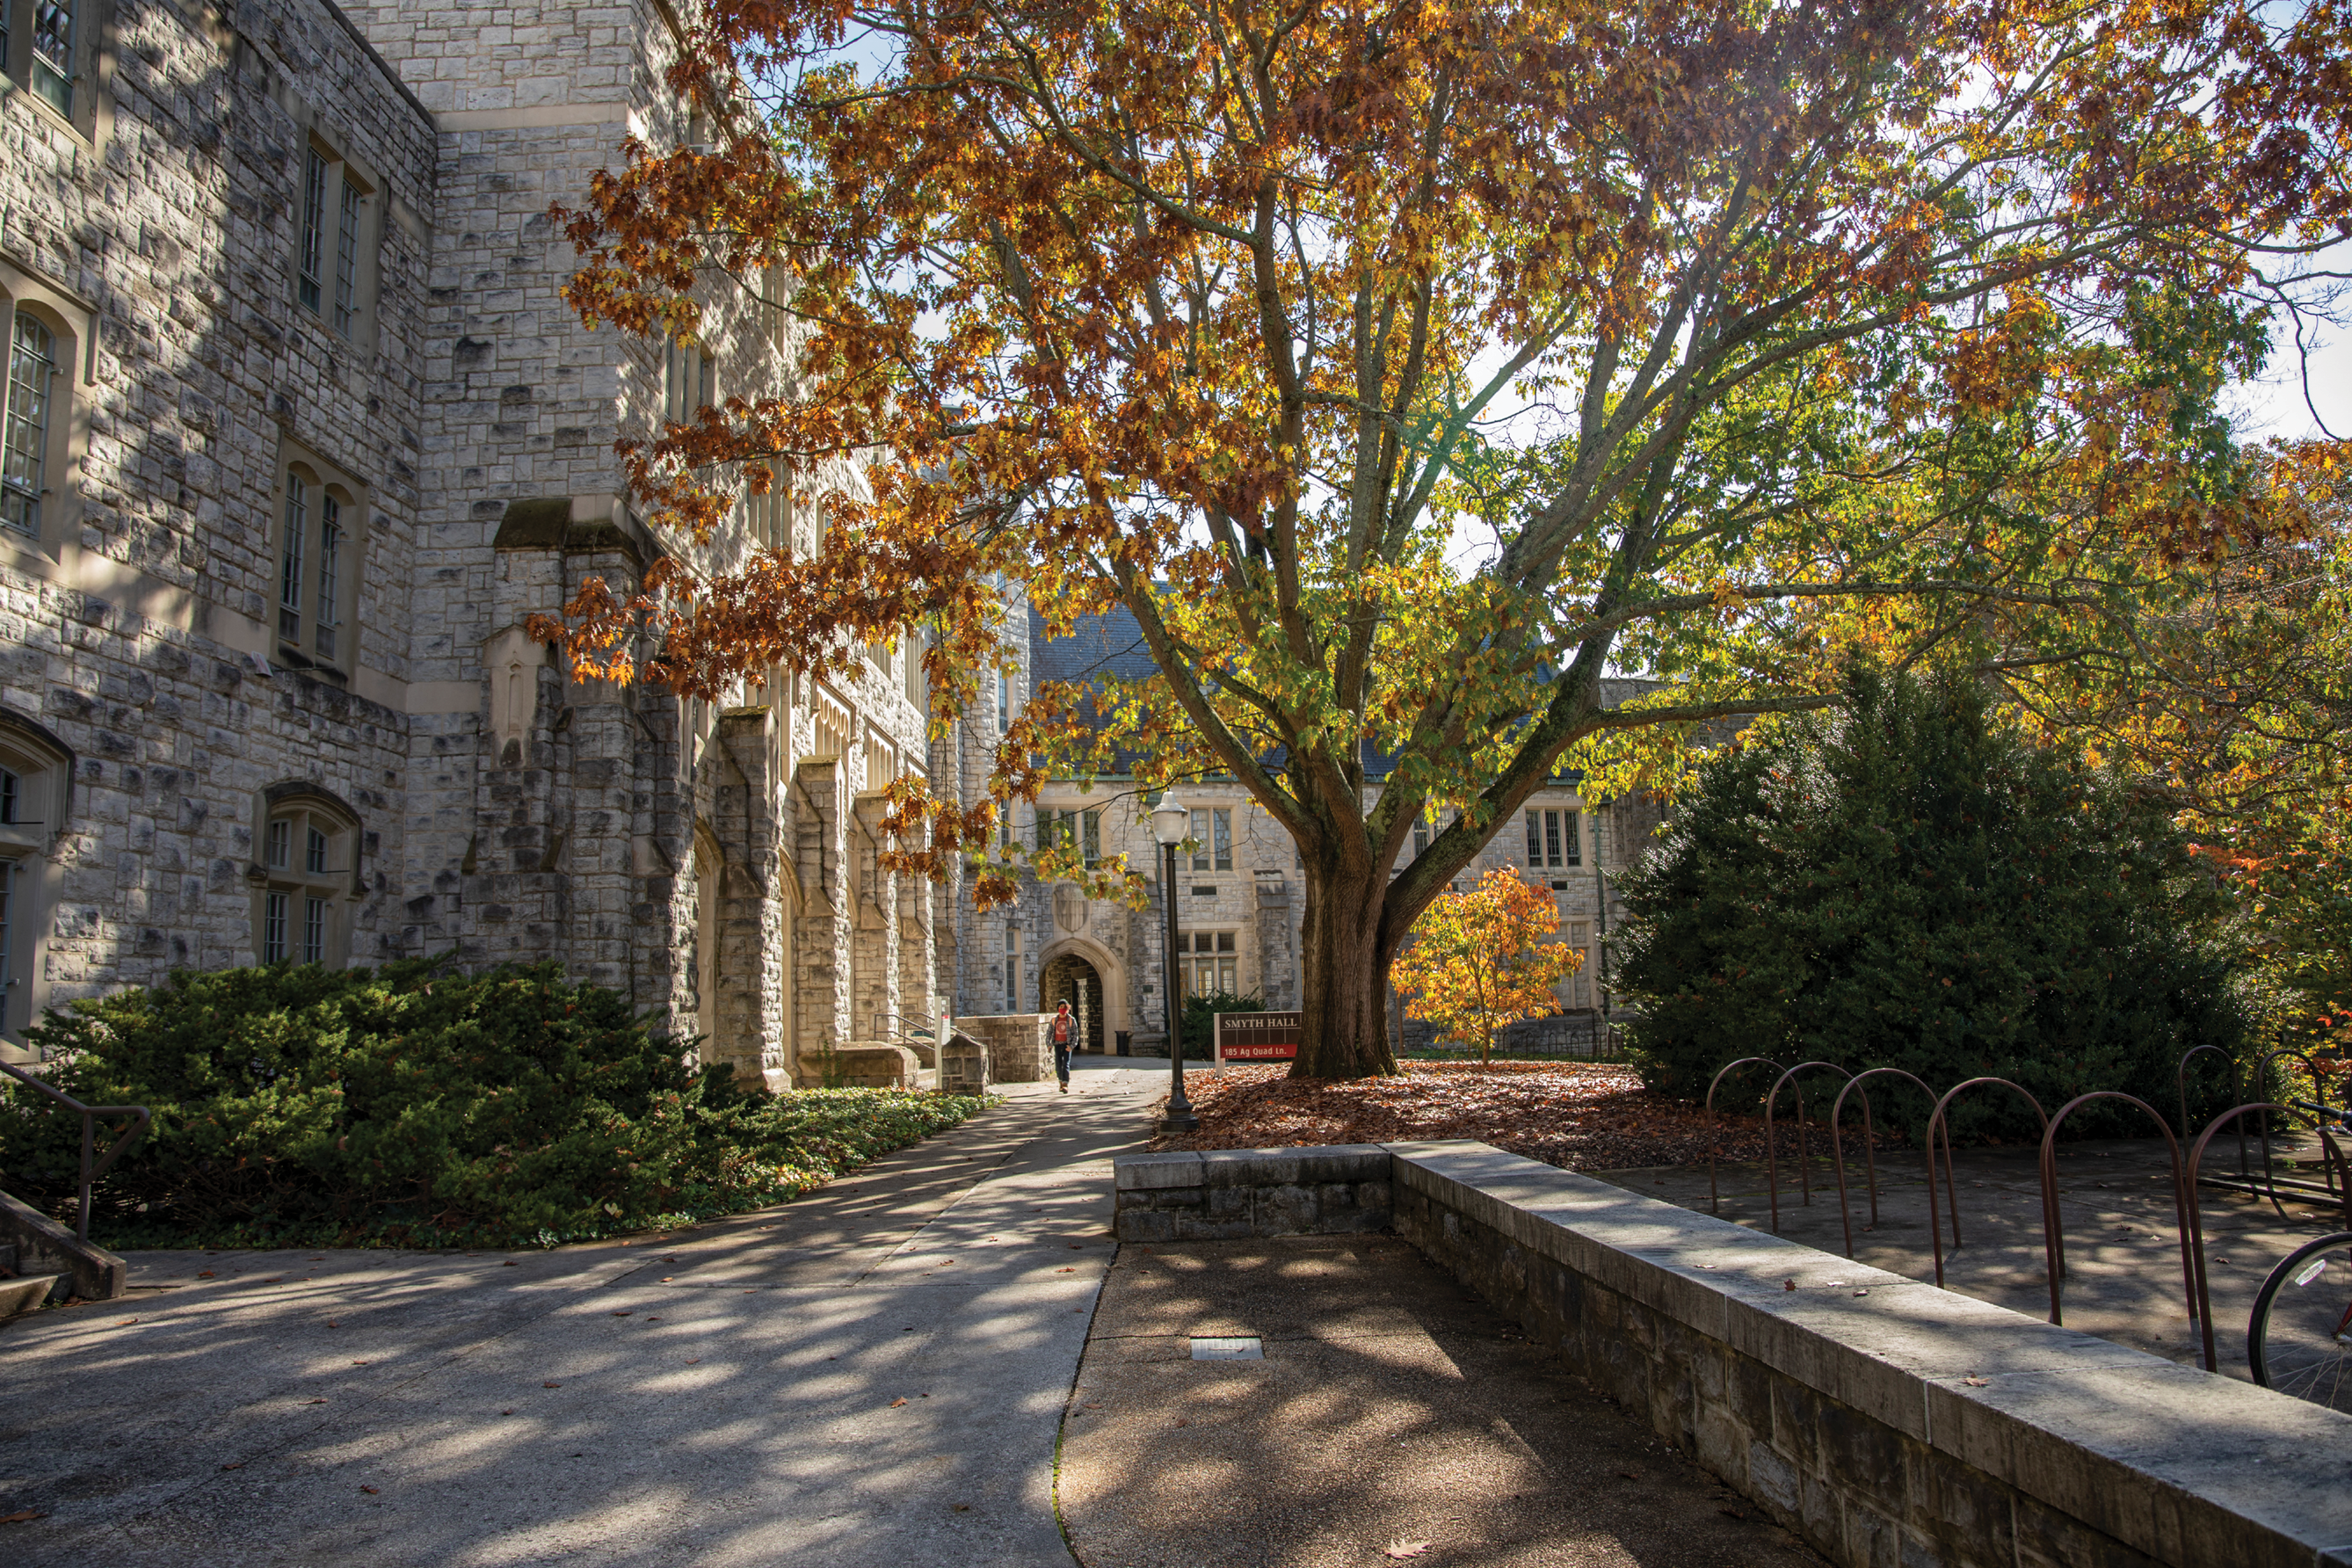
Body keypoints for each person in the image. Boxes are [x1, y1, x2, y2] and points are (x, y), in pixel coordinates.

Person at [1050, 999, 1077, 1093]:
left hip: (1067, 1045)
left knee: (1066, 1064)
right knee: (1058, 1064)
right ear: (1058, 1008)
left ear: (1067, 1008)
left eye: (1064, 1007)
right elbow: (1049, 1033)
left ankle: (1065, 1083)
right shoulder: (1054, 1020)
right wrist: (1049, 1044)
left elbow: (1075, 1034)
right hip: (1057, 1044)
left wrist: (1071, 1046)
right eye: (1061, 1007)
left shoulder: (1071, 1020)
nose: (1062, 1009)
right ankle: (1061, 1082)